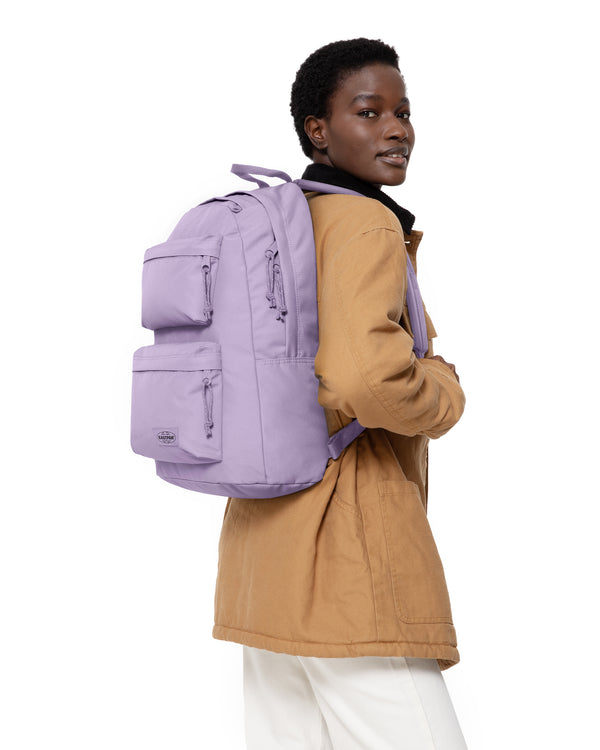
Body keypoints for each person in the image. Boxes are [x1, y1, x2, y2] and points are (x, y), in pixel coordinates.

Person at [213, 38, 468, 749]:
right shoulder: (364, 221)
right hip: (349, 550)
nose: (396, 129)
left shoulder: (279, 221)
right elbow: (367, 379)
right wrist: (444, 390)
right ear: (317, 130)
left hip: (263, 550)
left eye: (402, 112)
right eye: (369, 111)